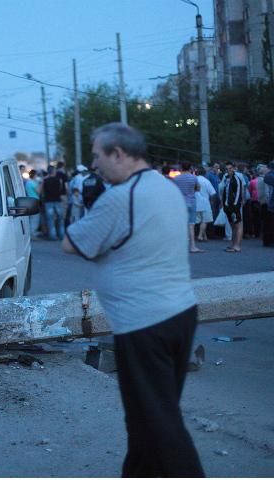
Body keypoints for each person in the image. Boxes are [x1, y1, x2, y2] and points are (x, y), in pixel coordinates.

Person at [61, 123, 204, 477]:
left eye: (97, 156)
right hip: (179, 314)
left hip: (144, 324)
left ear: (118, 154)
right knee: (149, 417)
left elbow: (73, 243)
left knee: (157, 421)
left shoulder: (119, 198)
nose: (94, 165)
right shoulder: (164, 185)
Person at [173, 161, 203, 253]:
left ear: (181, 168)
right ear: (190, 168)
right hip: (191, 202)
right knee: (191, 225)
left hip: (180, 203)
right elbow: (198, 188)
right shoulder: (193, 178)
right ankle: (193, 246)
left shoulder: (177, 178)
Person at [219, 161, 245, 253]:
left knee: (238, 225)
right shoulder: (226, 178)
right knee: (233, 226)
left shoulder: (237, 178)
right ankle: (233, 244)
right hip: (227, 206)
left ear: (233, 168)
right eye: (227, 169)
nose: (228, 171)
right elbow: (225, 192)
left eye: (230, 169)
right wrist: (223, 203)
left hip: (234, 206)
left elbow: (238, 193)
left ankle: (237, 246)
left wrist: (235, 206)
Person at [41, 164, 66, 240]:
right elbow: (61, 189)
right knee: (60, 219)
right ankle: (62, 235)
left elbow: (39, 191)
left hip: (48, 201)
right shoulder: (59, 180)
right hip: (58, 200)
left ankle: (53, 236)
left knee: (50, 220)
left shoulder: (44, 180)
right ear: (54, 172)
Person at [195, 167, 216, 242]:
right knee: (205, 220)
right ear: (205, 173)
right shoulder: (206, 181)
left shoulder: (194, 179)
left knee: (199, 221)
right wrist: (212, 202)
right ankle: (200, 236)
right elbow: (213, 193)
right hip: (205, 203)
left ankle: (204, 236)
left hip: (195, 203)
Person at [24, 169, 42, 237]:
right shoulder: (34, 183)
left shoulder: (27, 182)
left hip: (29, 200)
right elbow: (39, 192)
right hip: (35, 201)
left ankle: (30, 232)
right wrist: (40, 184)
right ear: (34, 175)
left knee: (31, 218)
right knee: (35, 218)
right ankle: (33, 233)